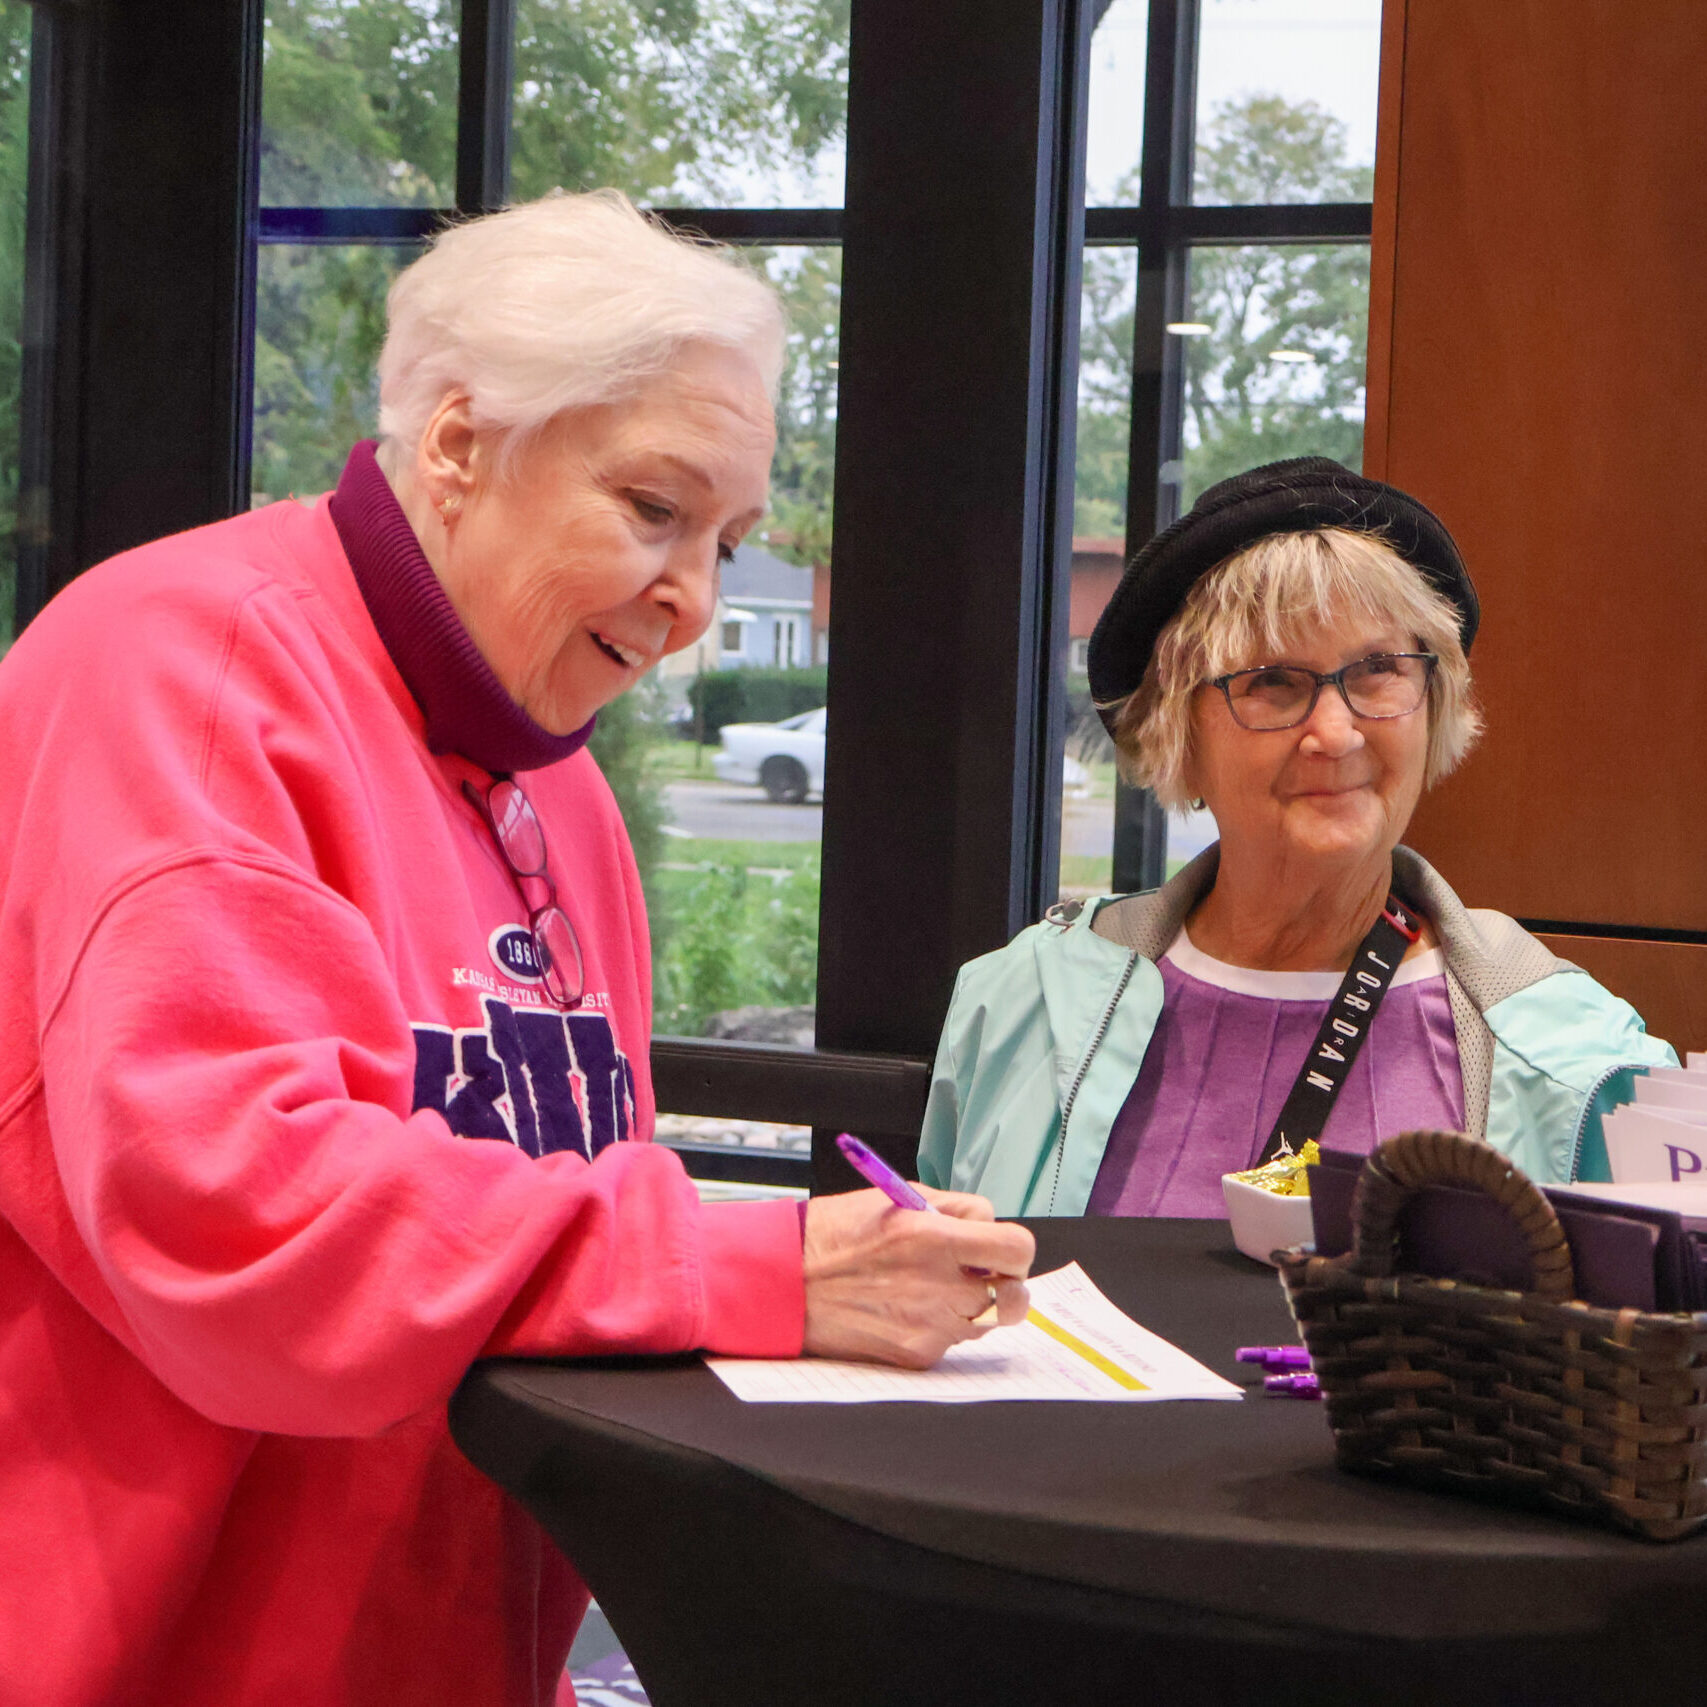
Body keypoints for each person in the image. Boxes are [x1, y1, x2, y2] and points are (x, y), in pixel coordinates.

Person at [0, 190, 1033, 1707]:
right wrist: (750, 1266)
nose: (693, 602)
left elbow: (525, 1232)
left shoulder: (555, 779)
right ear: (460, 445)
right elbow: (241, 1215)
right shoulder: (187, 670)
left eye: (729, 538)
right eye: (653, 510)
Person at [919, 457, 1674, 1216]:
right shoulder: (1019, 1007)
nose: (1335, 732)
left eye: (1377, 669)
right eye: (1273, 682)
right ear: (1180, 729)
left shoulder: (1579, 1065)